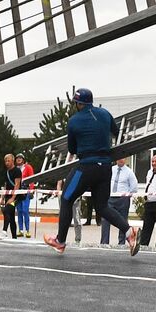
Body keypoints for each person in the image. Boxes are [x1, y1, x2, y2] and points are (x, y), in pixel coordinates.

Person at [44, 89, 138, 254]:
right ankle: (129, 232)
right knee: (102, 207)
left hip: (86, 167)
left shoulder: (73, 121)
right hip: (105, 167)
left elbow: (72, 149)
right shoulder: (105, 114)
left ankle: (60, 241)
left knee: (66, 199)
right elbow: (117, 133)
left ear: (79, 104)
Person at [101, 157, 137, 245]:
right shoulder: (111, 169)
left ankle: (121, 243)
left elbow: (134, 187)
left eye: (123, 158)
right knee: (105, 219)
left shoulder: (129, 172)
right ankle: (104, 242)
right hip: (110, 198)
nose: (120, 160)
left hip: (122, 200)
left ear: (125, 159)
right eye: (119, 158)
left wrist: (126, 196)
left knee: (123, 221)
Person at [1, 153, 21, 239]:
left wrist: (13, 198)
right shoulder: (6, 172)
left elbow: (17, 184)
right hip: (7, 195)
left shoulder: (17, 171)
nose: (7, 163)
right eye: (5, 161)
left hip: (16, 196)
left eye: (8, 160)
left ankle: (4, 231)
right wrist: (2, 197)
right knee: (11, 216)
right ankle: (14, 237)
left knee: (7, 210)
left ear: (13, 161)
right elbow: (6, 185)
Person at [16, 154, 34, 238]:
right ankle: (20, 230)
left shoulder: (28, 167)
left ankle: (27, 230)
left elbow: (32, 179)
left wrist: (31, 190)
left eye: (20, 158)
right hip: (18, 192)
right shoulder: (15, 169)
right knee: (19, 210)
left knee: (25, 210)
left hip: (26, 191)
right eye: (17, 158)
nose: (19, 159)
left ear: (23, 159)